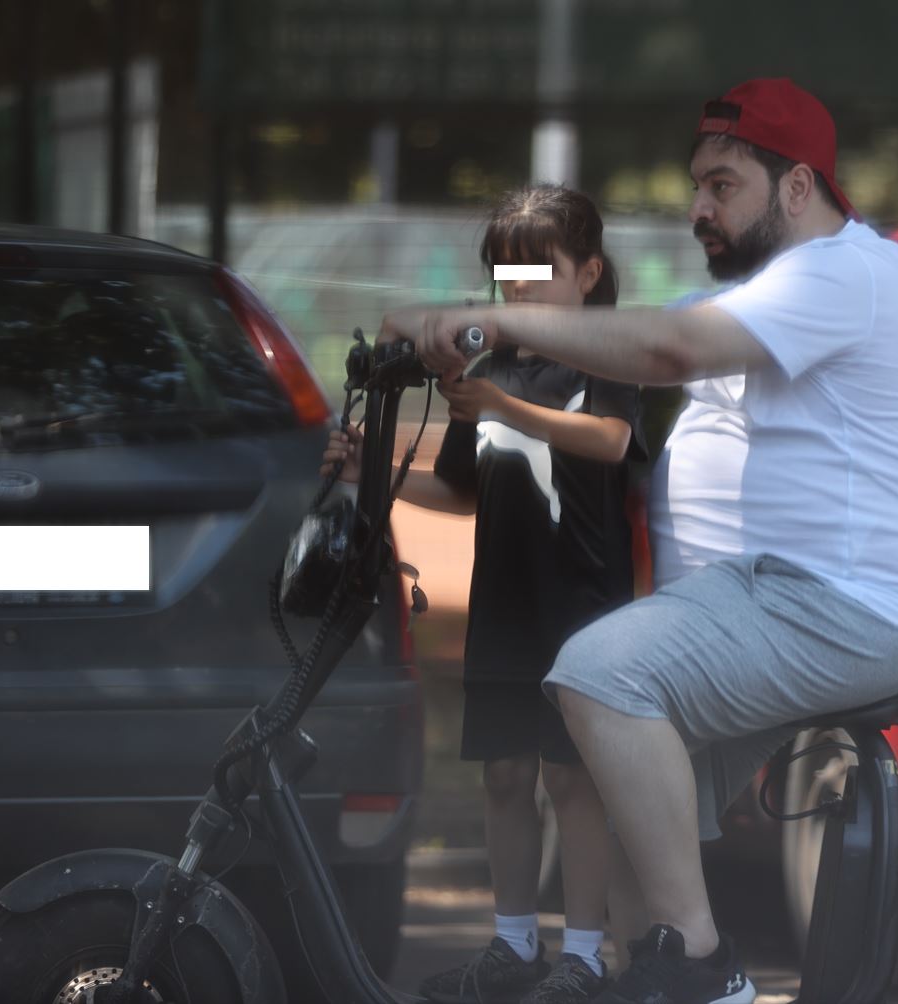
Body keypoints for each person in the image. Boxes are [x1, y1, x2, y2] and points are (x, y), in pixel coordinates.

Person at [381, 78, 898, 1004]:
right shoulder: (766, 292)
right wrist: (437, 329)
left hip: (826, 602)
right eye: (696, 187)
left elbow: (664, 351)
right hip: (753, 604)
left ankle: (698, 964)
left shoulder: (845, 273)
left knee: (597, 677)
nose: (697, 209)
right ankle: (653, 966)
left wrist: (488, 318)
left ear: (797, 186)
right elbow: (629, 338)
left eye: (722, 186)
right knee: (620, 802)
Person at [325, 184, 645, 1004]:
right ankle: (513, 945)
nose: (519, 284)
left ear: (589, 273)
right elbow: (461, 489)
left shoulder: (608, 356)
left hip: (582, 612)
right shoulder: (489, 368)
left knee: (571, 780)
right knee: (504, 774)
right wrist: (368, 469)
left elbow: (610, 442)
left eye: (541, 267)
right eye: (506, 270)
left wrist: (505, 405)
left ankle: (584, 956)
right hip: (503, 605)